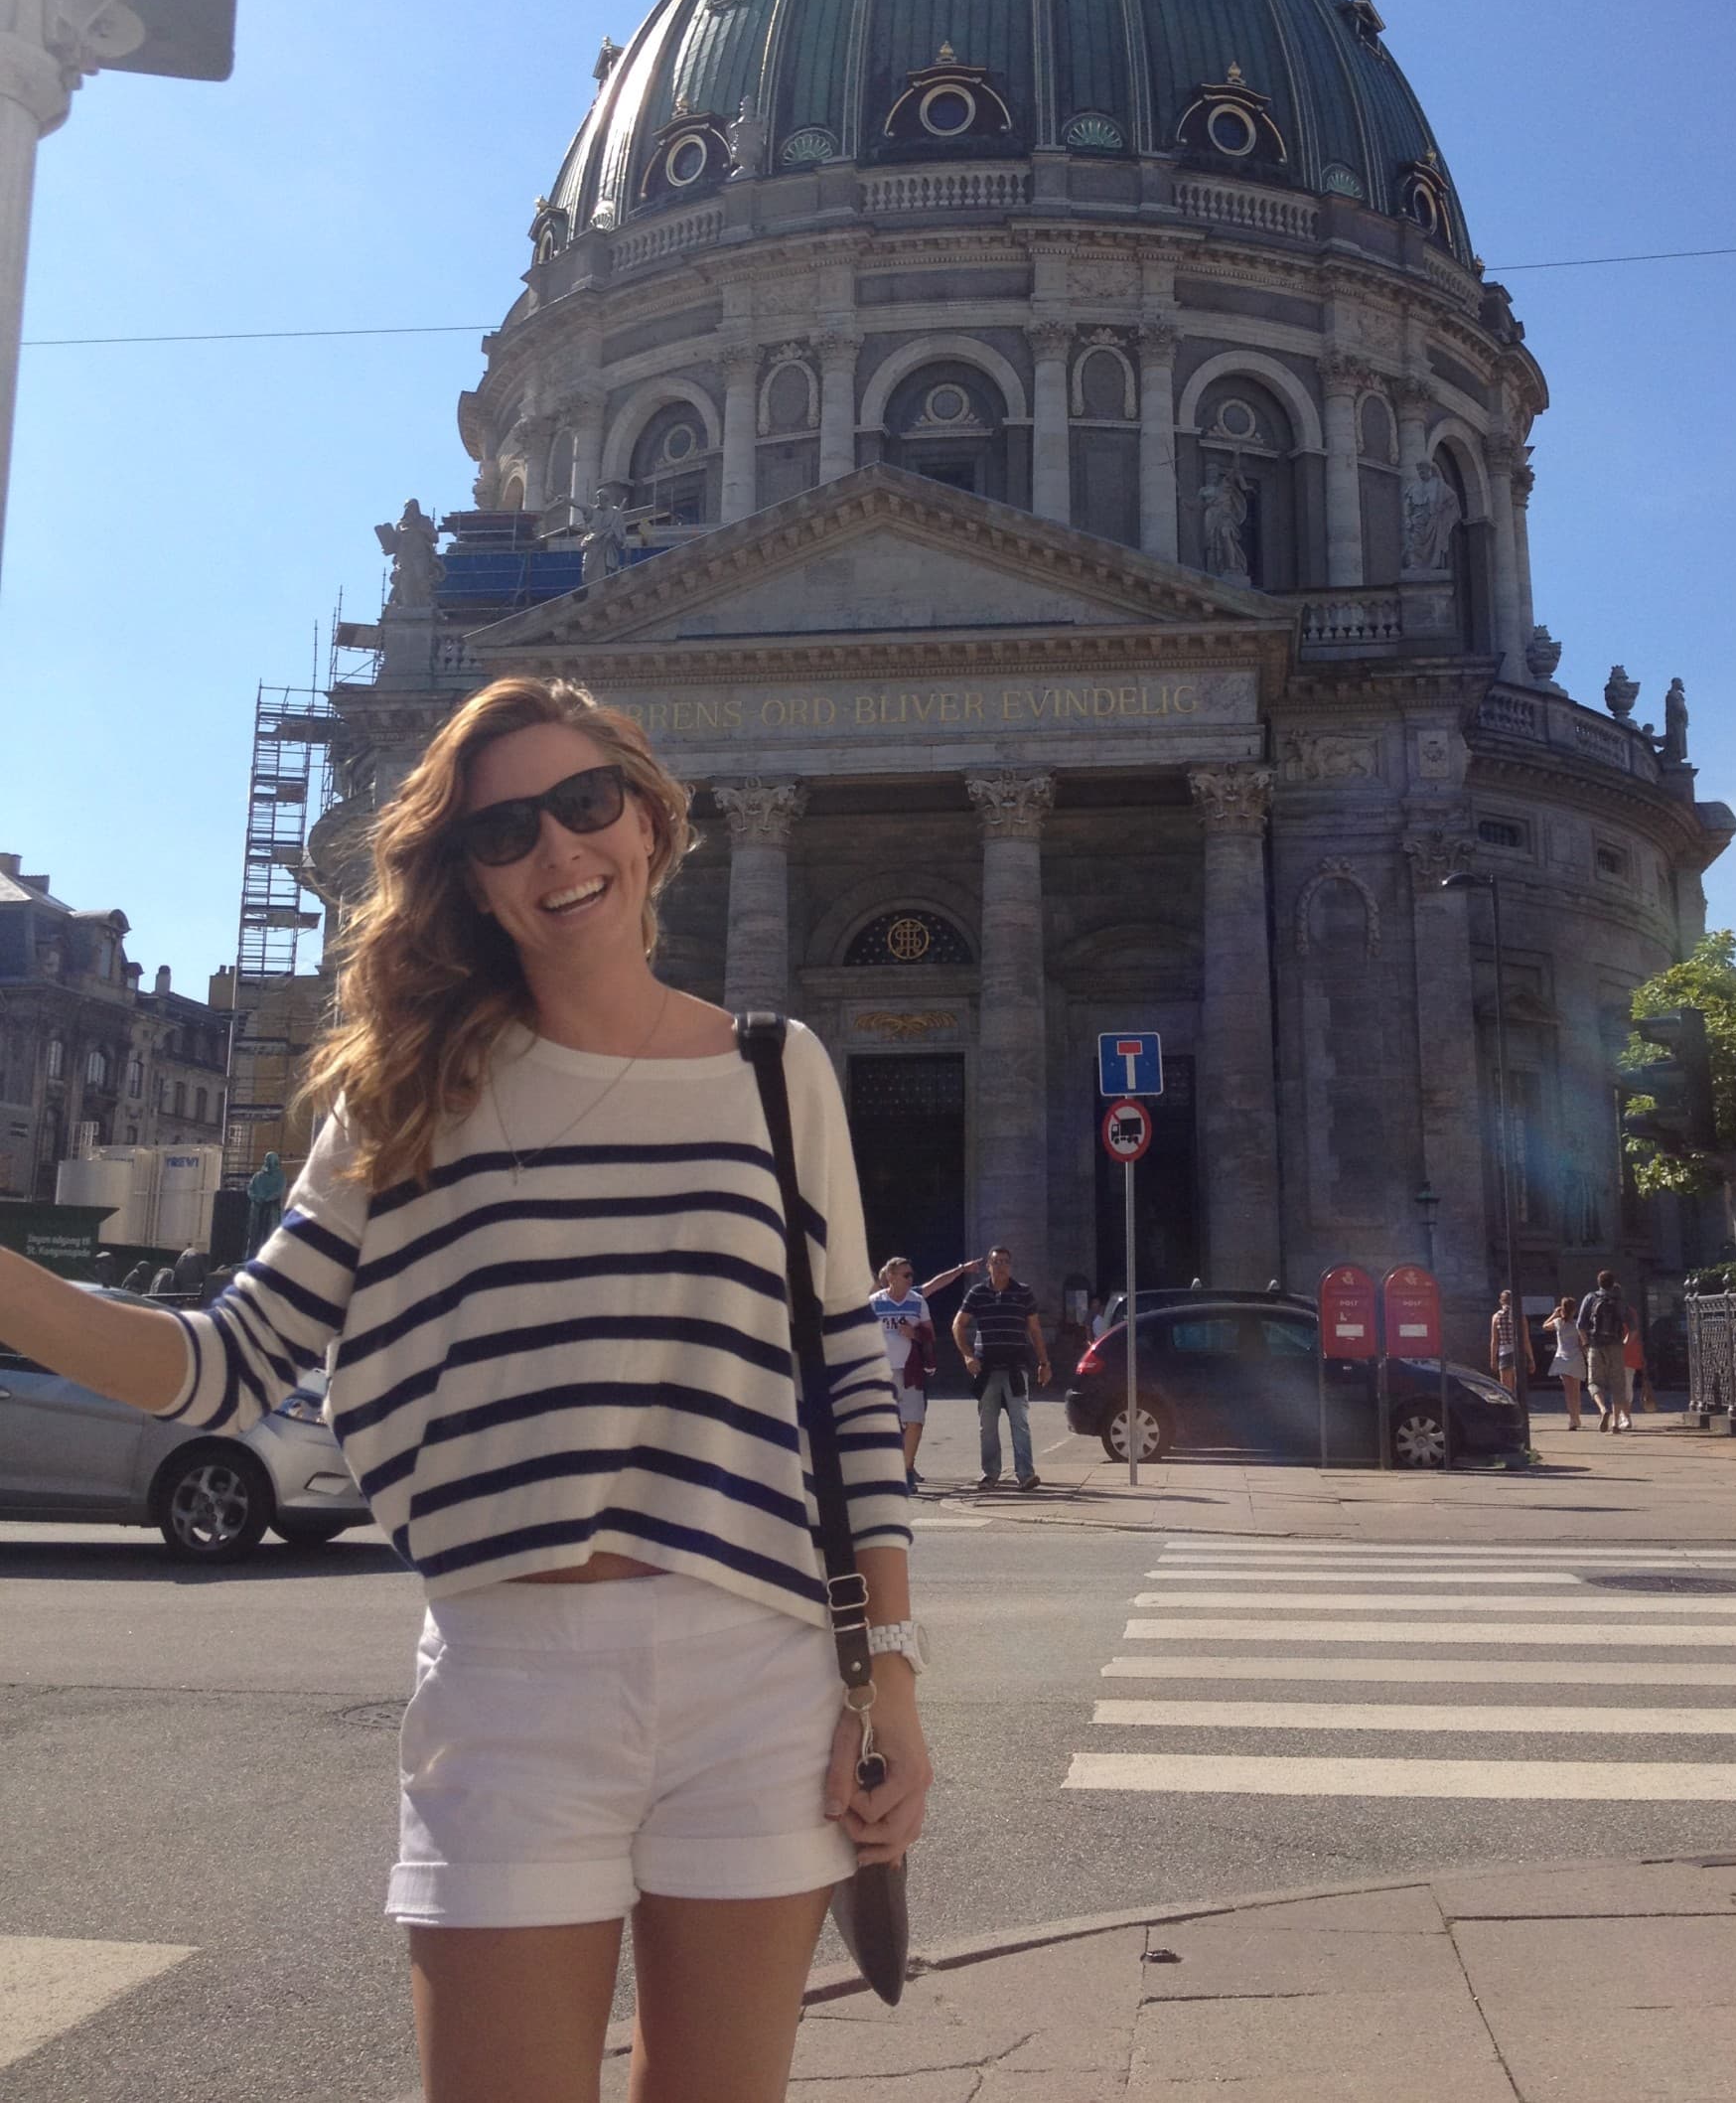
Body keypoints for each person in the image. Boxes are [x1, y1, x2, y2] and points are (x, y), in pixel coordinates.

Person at [0, 676, 931, 2103]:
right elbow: (228, 1362)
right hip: (513, 1677)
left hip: (760, 1668)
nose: (559, 848)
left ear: (649, 817)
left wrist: (895, 1681)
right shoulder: (407, 1093)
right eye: (505, 831)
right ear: (471, 879)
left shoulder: (773, 1068)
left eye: (584, 802)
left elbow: (850, 1386)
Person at [870, 1254, 980, 1493]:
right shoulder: (874, 1302)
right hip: (882, 1372)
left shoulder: (917, 1299)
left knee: (914, 1420)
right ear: (890, 1277)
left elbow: (937, 1286)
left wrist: (961, 1269)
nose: (910, 1278)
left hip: (912, 1370)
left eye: (911, 1275)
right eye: (906, 1275)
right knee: (886, 1423)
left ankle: (906, 1469)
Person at [953, 1245, 1053, 1490]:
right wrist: (967, 1356)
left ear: (1011, 1266)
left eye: (1005, 1262)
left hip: (1015, 1366)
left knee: (1020, 1421)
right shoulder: (978, 1293)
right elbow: (958, 1324)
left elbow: (1035, 1330)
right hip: (986, 1368)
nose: (1001, 1266)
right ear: (988, 1266)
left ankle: (1025, 1474)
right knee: (987, 1425)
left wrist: (1044, 1363)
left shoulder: (1023, 1292)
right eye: (996, 1262)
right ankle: (990, 1474)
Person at [1578, 1267, 1634, 1432]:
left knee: (1594, 1382)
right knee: (1618, 1385)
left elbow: (1580, 1325)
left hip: (1596, 1345)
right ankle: (1615, 1423)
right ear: (1613, 1282)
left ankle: (1603, 1409)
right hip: (1616, 1345)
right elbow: (1633, 1328)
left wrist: (1586, 1344)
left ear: (1599, 1283)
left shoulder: (1590, 1298)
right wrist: (1624, 1343)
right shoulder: (1620, 1301)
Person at [1544, 1294, 1585, 1428]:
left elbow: (1545, 1326)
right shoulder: (1577, 1324)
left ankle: (1572, 1418)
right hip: (1576, 1357)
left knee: (1568, 1391)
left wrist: (1554, 1314)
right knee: (1576, 1390)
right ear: (1574, 1310)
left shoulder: (1558, 1323)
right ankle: (1577, 1417)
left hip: (1562, 1357)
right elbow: (1581, 1343)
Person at [1488, 1286, 1535, 1399]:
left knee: (1506, 1389)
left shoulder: (1496, 1317)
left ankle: (1510, 1407)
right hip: (1519, 1352)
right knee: (1519, 1387)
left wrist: (1493, 1359)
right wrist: (1531, 1359)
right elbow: (1525, 1340)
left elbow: (1495, 1341)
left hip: (1504, 1352)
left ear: (1501, 1301)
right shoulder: (1520, 1316)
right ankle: (1520, 1406)